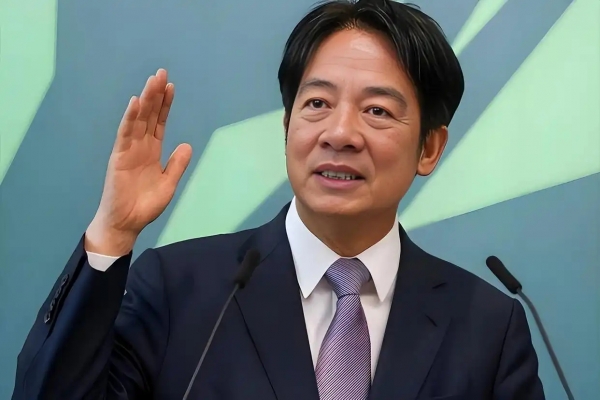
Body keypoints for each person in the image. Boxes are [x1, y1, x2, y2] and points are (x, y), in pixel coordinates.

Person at [12, 1, 545, 399]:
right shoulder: (180, 289)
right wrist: (111, 234)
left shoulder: (487, 327)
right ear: (288, 125)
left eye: (377, 111)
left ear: (429, 147)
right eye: (317, 103)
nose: (340, 133)